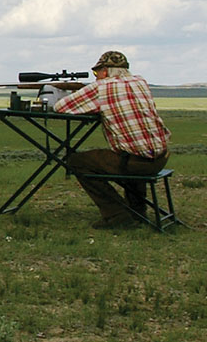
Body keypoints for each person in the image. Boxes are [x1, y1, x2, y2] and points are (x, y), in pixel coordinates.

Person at [53, 51, 171, 229]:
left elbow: (61, 107)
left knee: (76, 161)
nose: (96, 77)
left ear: (105, 72)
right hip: (160, 158)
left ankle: (117, 215)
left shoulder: (102, 88)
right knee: (133, 149)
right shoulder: (141, 83)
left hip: (135, 163)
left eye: (96, 73)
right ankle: (137, 211)